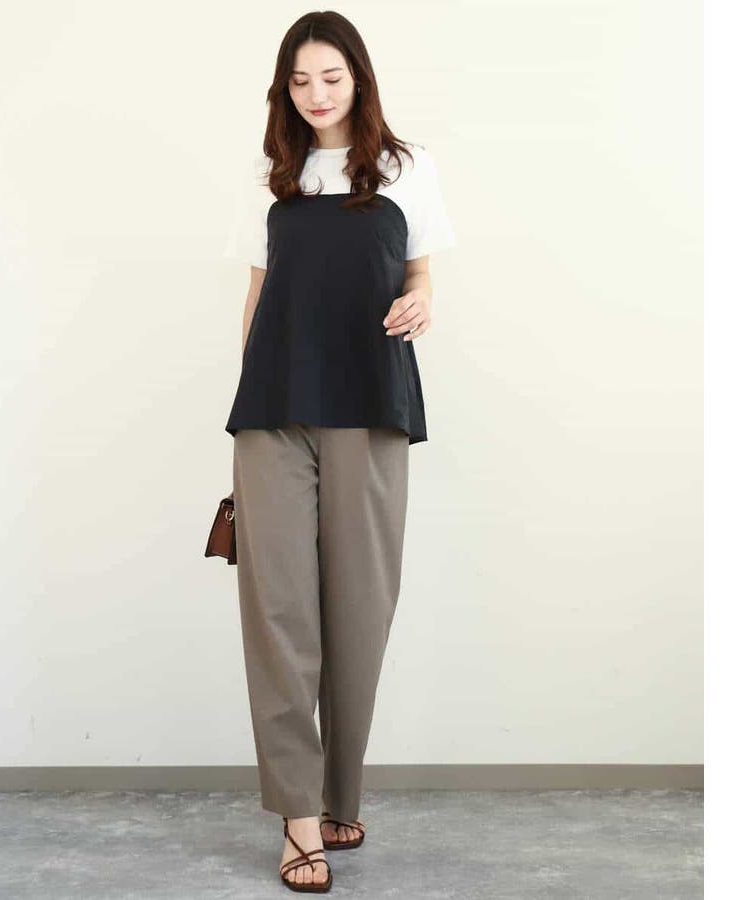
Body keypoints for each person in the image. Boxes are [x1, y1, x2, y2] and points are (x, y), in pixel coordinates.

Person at [221, 10, 455, 892]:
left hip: (371, 402)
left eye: (331, 77)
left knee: (360, 607)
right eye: (300, 81)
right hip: (275, 410)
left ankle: (340, 793)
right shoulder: (270, 177)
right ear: (283, 89)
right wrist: (246, 406)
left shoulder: (406, 167)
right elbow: (257, 298)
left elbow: (420, 273)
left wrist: (423, 301)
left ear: (359, 78)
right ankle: (298, 817)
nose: (316, 94)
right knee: (279, 612)